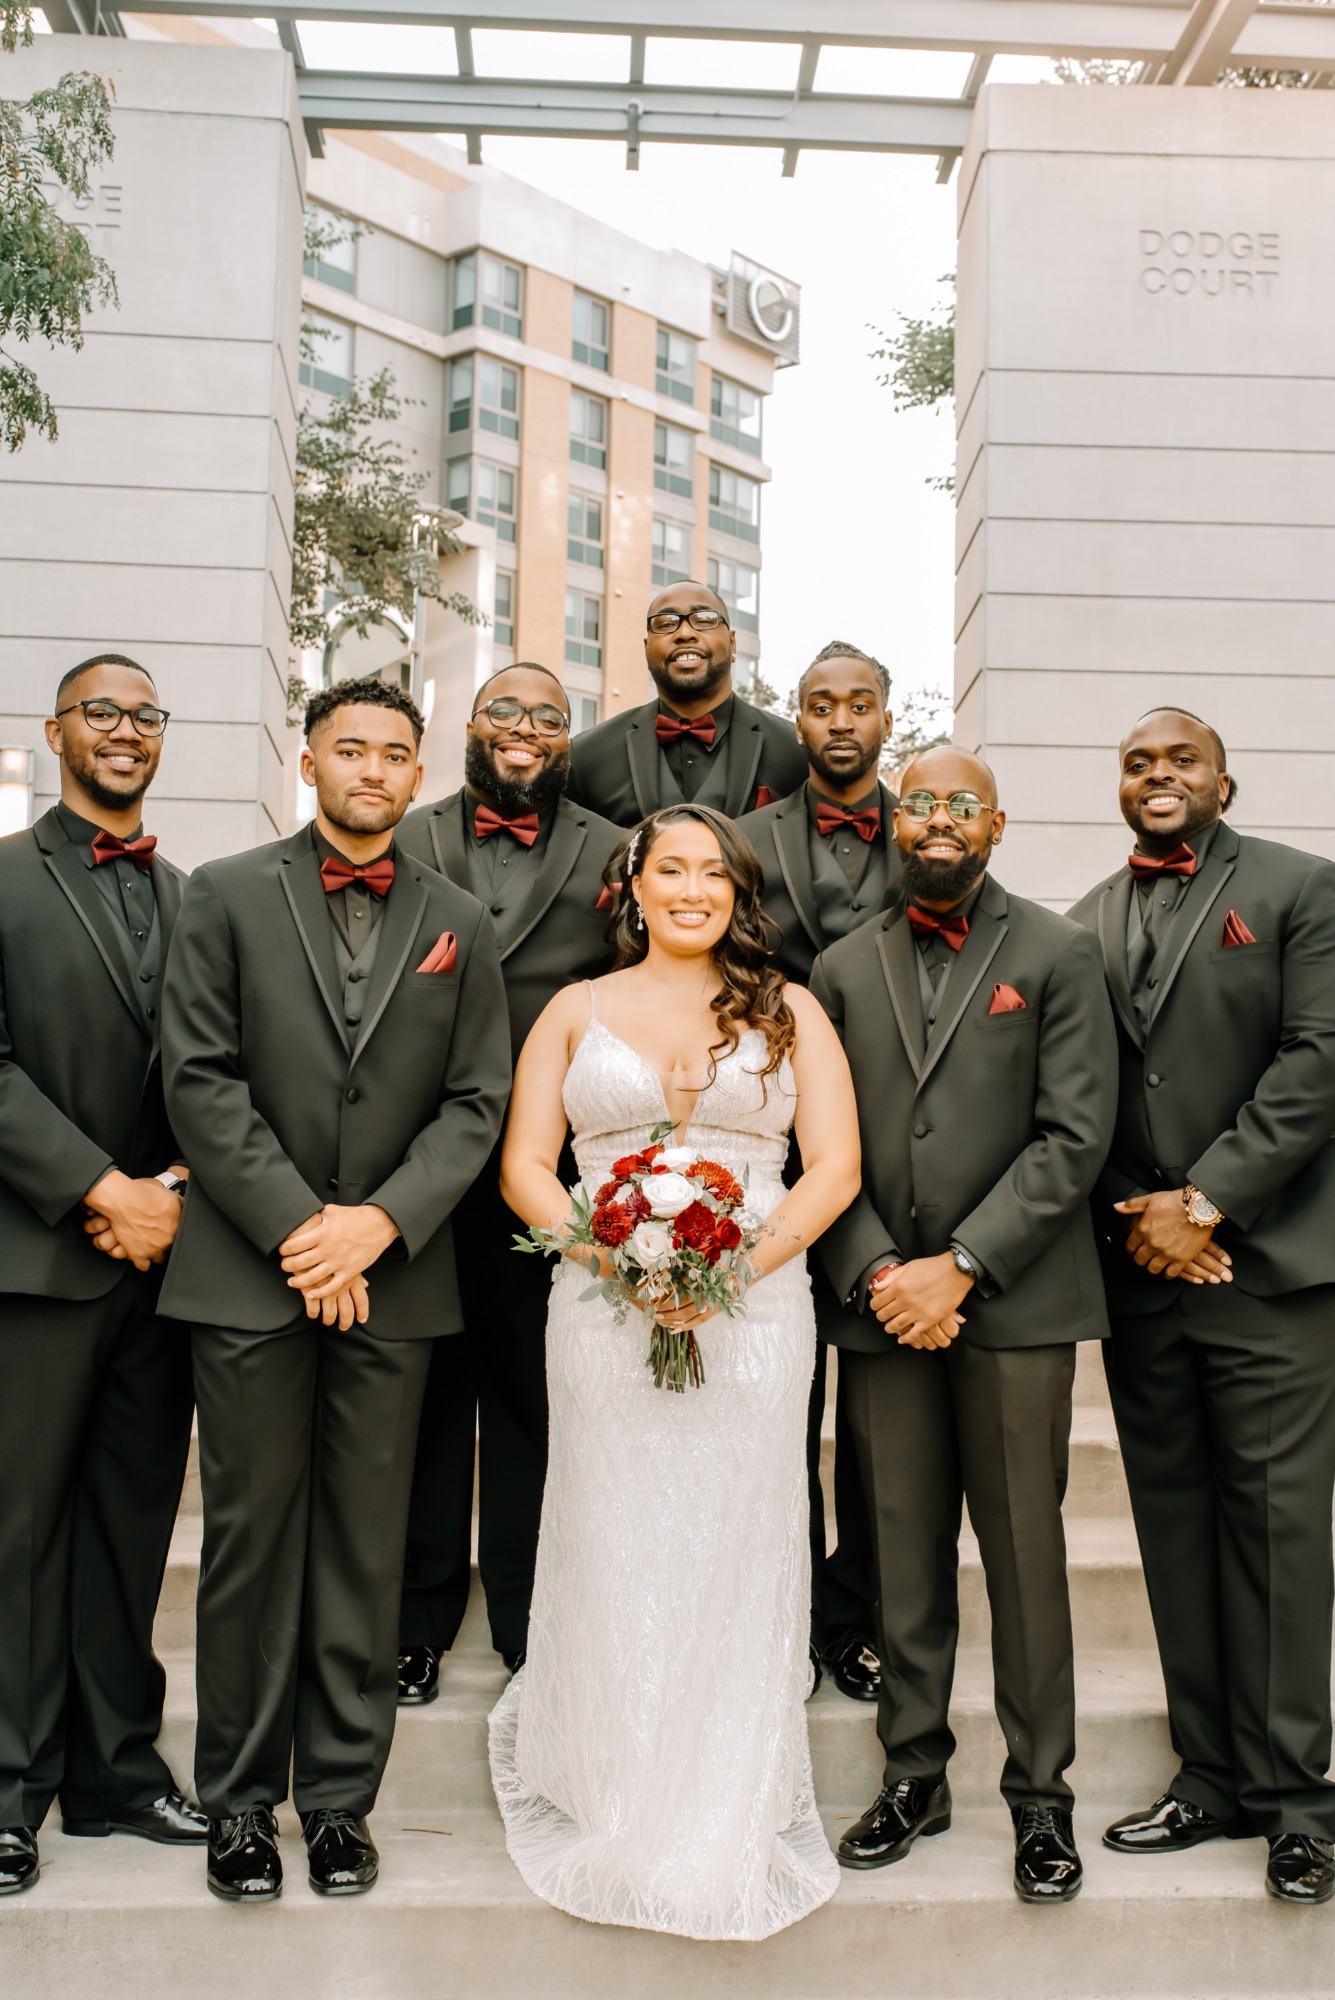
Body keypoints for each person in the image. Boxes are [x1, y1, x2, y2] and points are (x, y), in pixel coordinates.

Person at [159, 678, 511, 1905]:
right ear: (308, 761)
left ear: (420, 775)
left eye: (396, 752)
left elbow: (478, 1102)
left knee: (367, 1548)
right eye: (350, 747)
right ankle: (241, 1802)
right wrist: (304, 1229)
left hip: (396, 1281)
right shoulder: (224, 893)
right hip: (249, 1275)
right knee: (252, 1544)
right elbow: (197, 1076)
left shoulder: (459, 916)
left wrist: (378, 1225)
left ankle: (342, 1802)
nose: (373, 767)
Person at [489, 803, 859, 1939]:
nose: (691, 888)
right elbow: (525, 1167)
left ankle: (725, 1779)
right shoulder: (572, 1009)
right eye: (670, 868)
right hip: (603, 1308)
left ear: (737, 892)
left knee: (737, 1528)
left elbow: (834, 1166)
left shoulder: (792, 1009)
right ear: (632, 884)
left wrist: (734, 1267)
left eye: (713, 872)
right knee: (615, 1524)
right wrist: (612, 1258)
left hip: (756, 1309)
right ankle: (613, 1767)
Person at [811, 745, 1117, 1905]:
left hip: (1017, 1305)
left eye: (962, 805)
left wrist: (965, 1264)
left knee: (1025, 1556)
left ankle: (1042, 1800)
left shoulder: (1059, 952)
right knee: (899, 1555)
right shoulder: (839, 967)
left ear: (997, 822)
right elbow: (816, 1142)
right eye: (922, 801)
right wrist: (885, 1267)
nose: (939, 820)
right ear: (898, 820)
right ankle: (913, 1772)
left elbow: (1073, 1136)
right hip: (883, 1301)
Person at [1069, 707, 1335, 1907]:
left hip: (1271, 1274)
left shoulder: (1301, 890)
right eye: (1138, 762)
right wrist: (1145, 1217)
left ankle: (1297, 1803)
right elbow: (1080, 1092)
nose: (1159, 774)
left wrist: (1210, 1201)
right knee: (1173, 1532)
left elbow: (1316, 1060)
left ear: (1226, 777)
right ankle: (1211, 1773)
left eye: (1180, 758)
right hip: (1146, 1277)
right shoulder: (1081, 919)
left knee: (1278, 1537)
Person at [0, 654, 203, 1897]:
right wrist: (97, 1187)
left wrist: (169, 1191)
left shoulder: (198, 896)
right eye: (102, 712)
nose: (125, 732)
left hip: (165, 1269)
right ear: (55, 729)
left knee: (131, 1526)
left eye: (144, 715)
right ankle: (10, 1781)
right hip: (37, 1251)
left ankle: (117, 1770)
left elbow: (220, 1065)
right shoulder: (0, 878)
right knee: (17, 1530)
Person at [395, 664, 622, 1702]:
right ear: (470, 725)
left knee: (538, 1401)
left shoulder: (611, 848)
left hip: (550, 1177)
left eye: (548, 715)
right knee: (433, 1403)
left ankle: (533, 1624)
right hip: (422, 1172)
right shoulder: (407, 834)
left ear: (566, 738)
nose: (525, 729)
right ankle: (419, 1621)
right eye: (506, 711)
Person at [739, 640, 903, 1703]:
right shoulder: (745, 843)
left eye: (860, 703)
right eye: (819, 704)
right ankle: (780, 1611)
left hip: (903, 1155)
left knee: (883, 1430)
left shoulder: (939, 823)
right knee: (772, 1411)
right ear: (795, 720)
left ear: (887, 718)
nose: (840, 720)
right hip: (770, 1150)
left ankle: (862, 1616)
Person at [566, 579, 807, 826]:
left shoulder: (796, 754)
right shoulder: (586, 757)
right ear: (646, 649)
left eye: (703, 620)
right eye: (666, 624)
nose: (684, 633)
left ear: (732, 644)